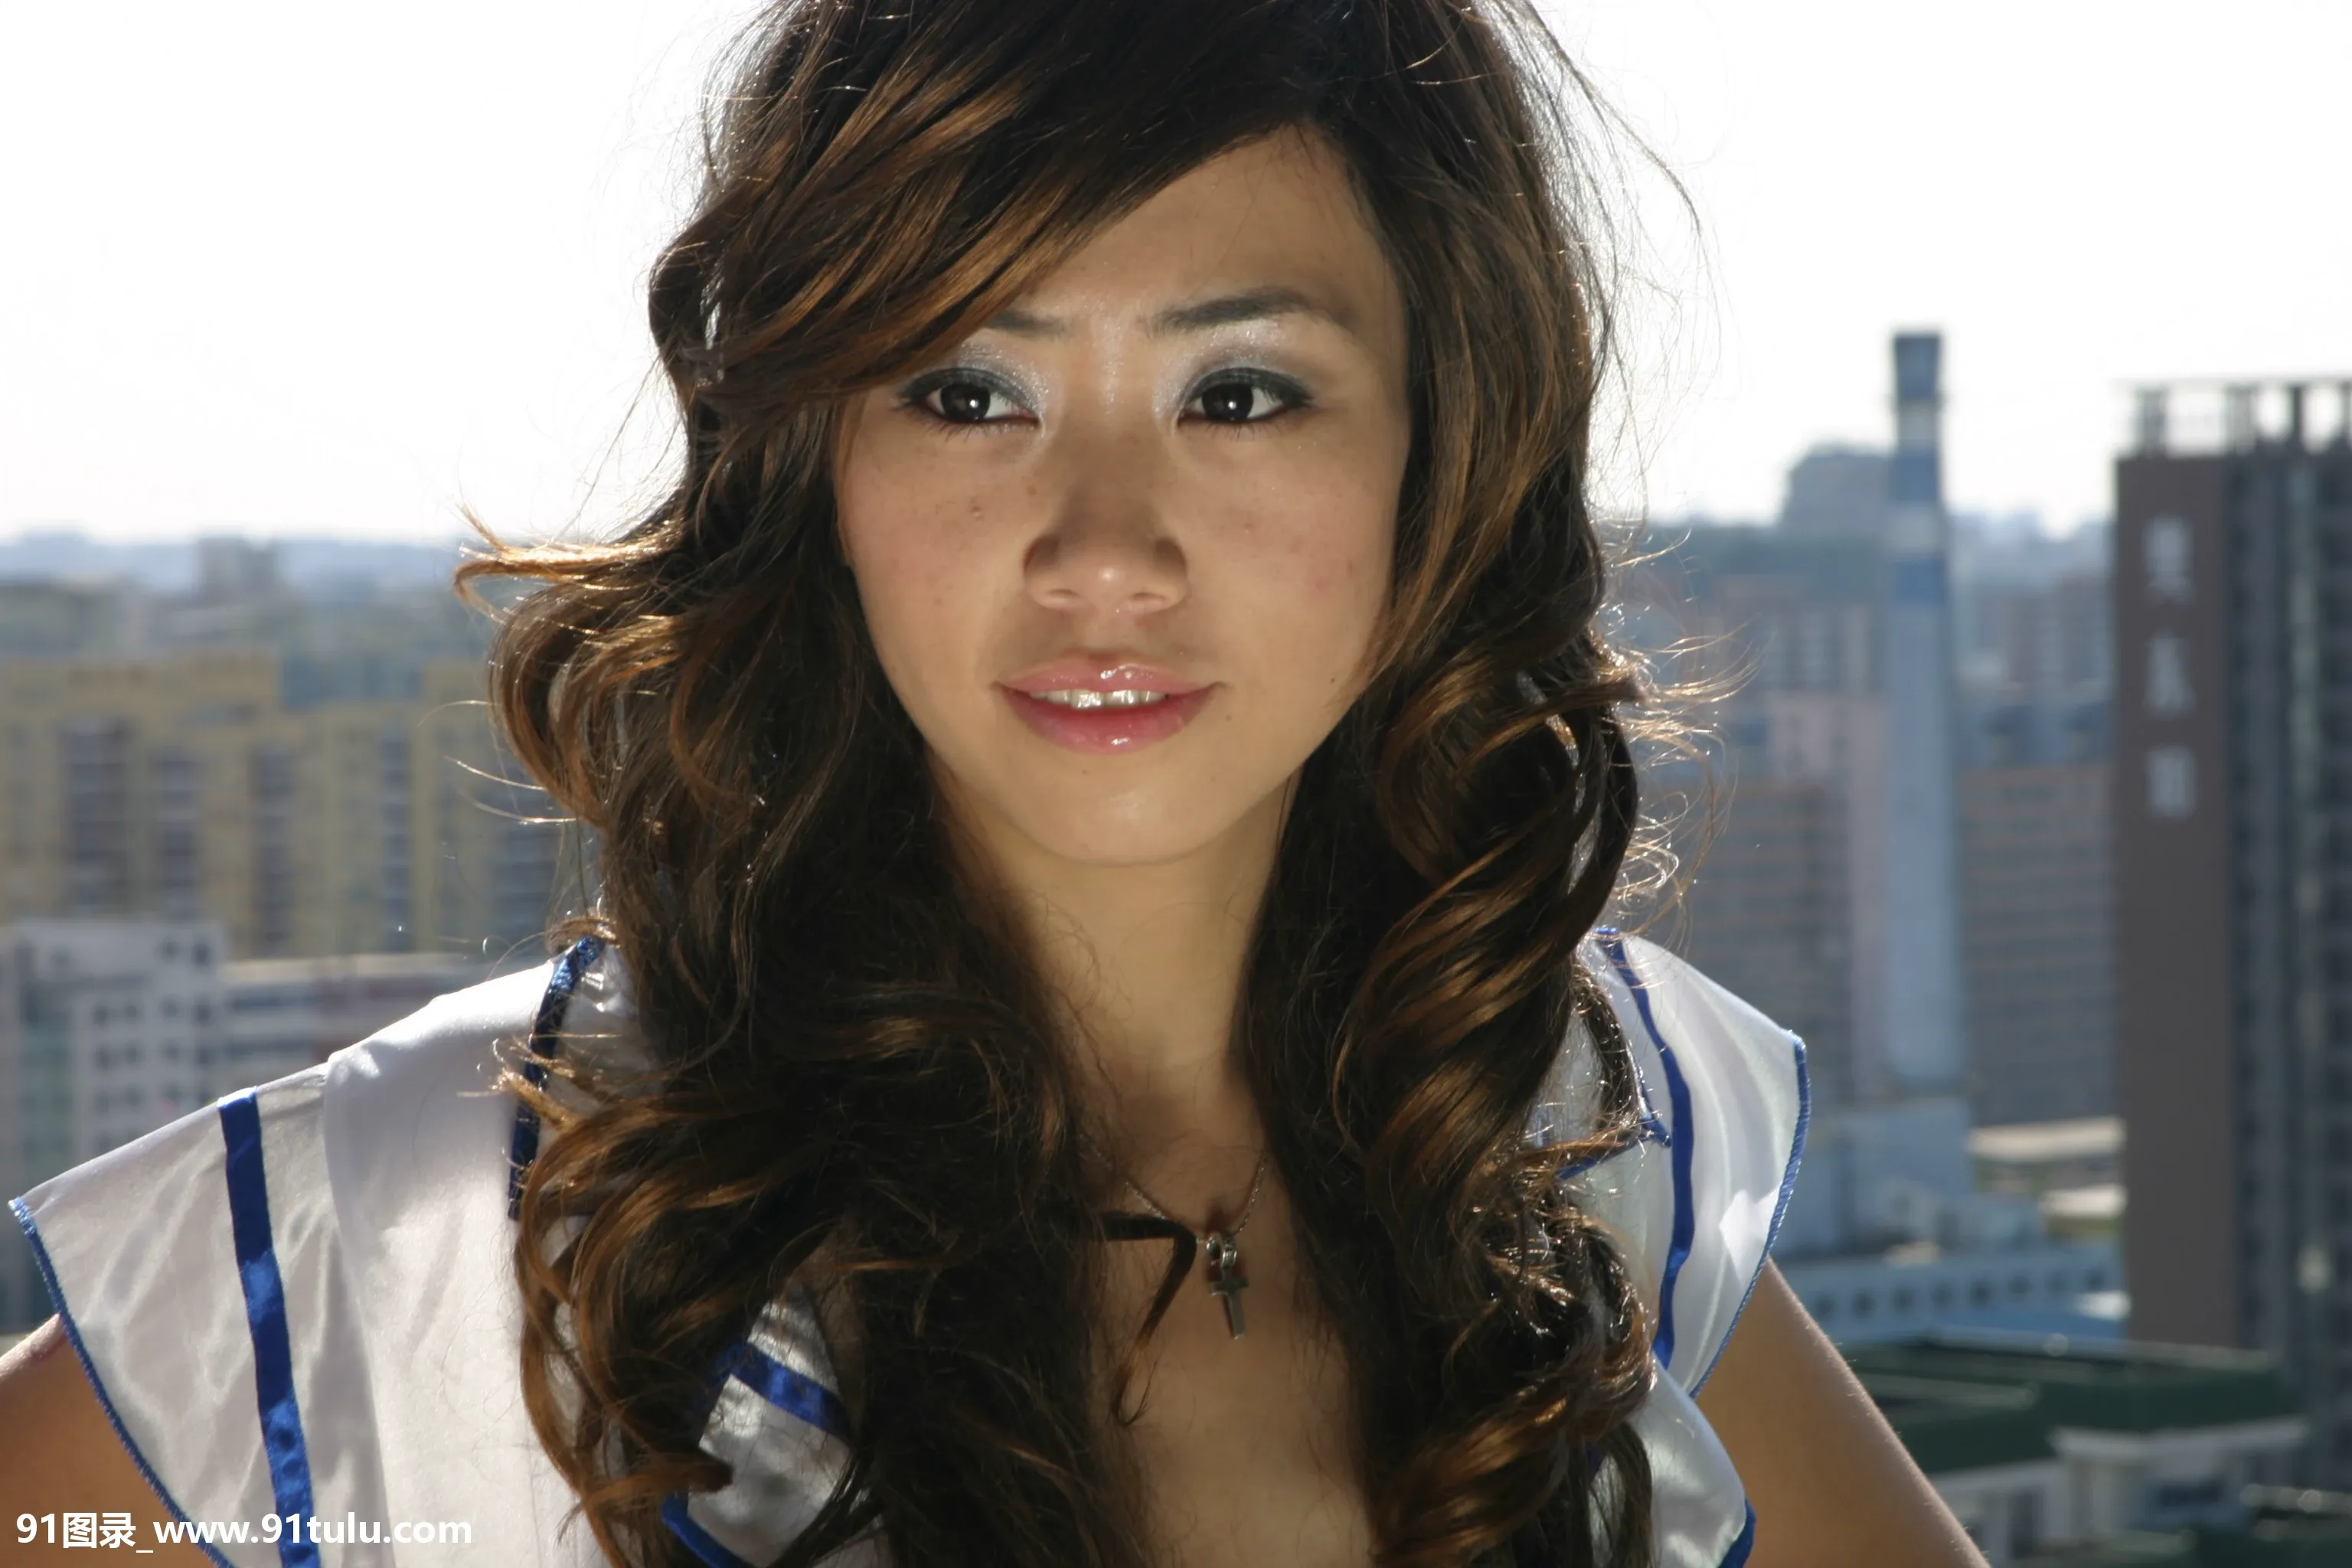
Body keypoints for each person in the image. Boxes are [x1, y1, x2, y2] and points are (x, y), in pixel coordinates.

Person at [0, 0, 1988, 1563]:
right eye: (968, 392)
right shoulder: (435, 1230)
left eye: (1238, 393)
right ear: (818, 466)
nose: (1102, 552)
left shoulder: (1587, 1145)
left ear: (1438, 460)